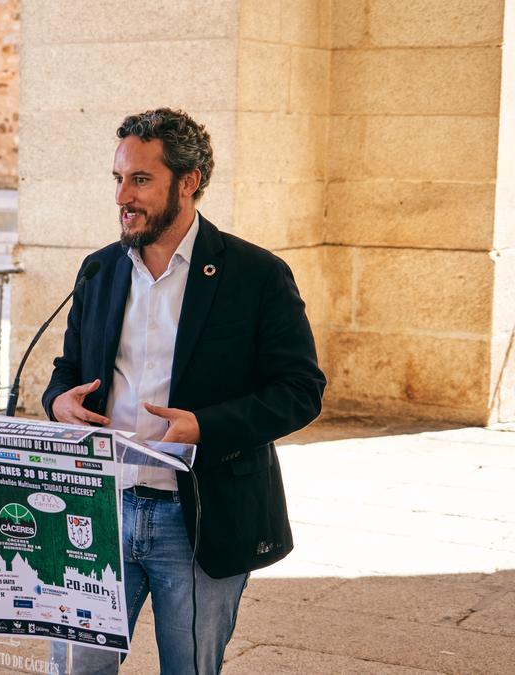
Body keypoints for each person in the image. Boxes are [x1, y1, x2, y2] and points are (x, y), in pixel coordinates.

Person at [41, 108, 326, 674]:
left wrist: (206, 427)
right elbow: (68, 368)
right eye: (119, 179)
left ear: (188, 181)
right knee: (76, 668)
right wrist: (59, 402)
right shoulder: (99, 269)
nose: (123, 195)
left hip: (198, 516)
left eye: (141, 180)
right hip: (99, 510)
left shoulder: (255, 274)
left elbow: (300, 390)